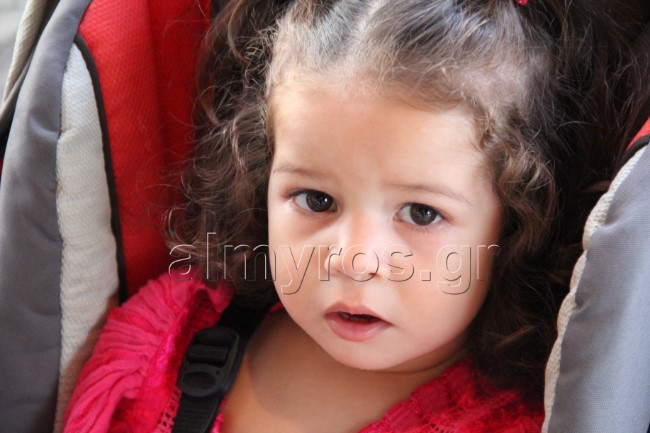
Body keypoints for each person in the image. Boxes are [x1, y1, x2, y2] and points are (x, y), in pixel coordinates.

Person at [63, 0, 649, 432]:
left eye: (421, 213)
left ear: (515, 224)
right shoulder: (162, 341)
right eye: (316, 200)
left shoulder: (526, 422)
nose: (356, 258)